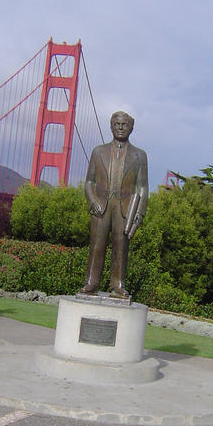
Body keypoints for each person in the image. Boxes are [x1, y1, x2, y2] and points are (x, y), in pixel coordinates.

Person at [80, 110, 148, 298]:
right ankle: (91, 283)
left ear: (131, 128)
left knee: (121, 247)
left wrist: (139, 214)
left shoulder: (140, 156)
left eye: (124, 124)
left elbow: (142, 187)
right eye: (117, 124)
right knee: (96, 245)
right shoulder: (98, 152)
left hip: (125, 208)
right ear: (111, 126)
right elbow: (89, 182)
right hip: (101, 207)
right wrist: (93, 201)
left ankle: (117, 285)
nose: (120, 127)